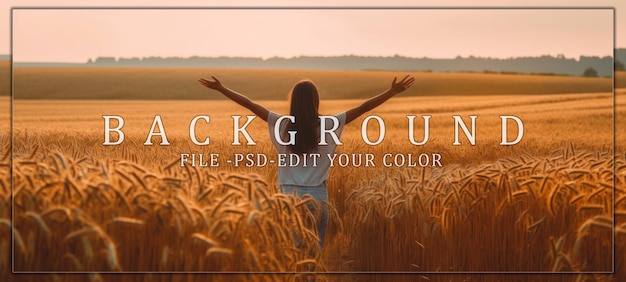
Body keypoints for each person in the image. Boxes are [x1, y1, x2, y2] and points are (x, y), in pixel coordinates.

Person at [198, 75, 415, 249]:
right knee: (313, 256)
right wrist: (391, 92)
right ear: (316, 100)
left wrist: (221, 88)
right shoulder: (331, 123)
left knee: (291, 253)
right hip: (318, 197)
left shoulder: (281, 123)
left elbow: (250, 104)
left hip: (287, 197)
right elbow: (362, 109)